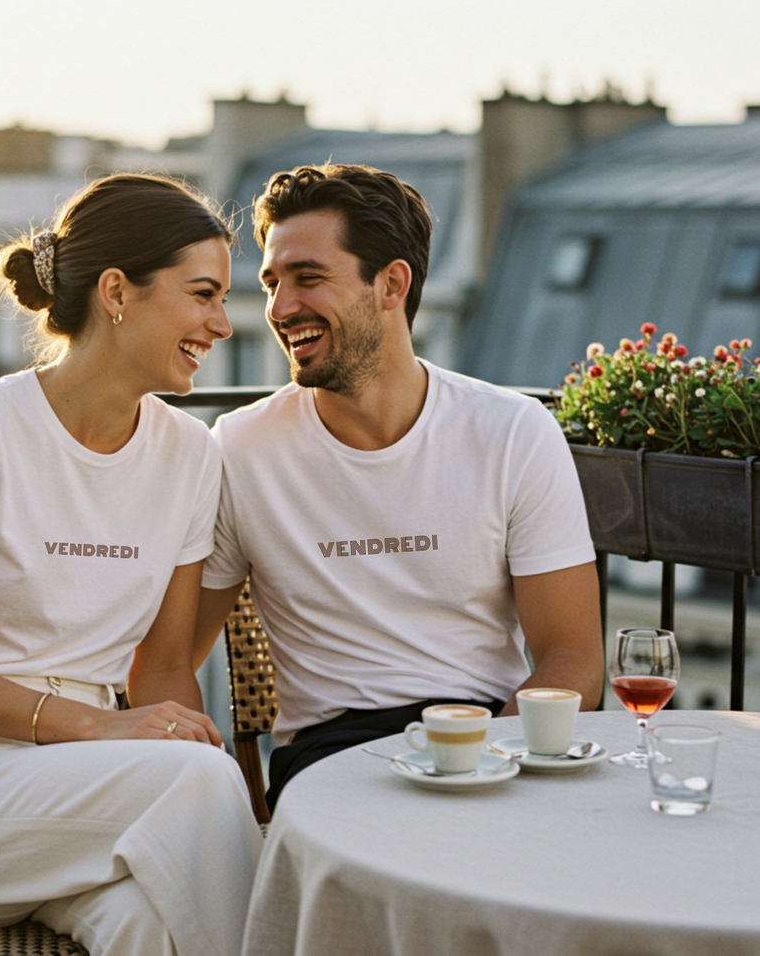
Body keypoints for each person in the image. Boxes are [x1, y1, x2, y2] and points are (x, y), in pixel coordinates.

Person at [0, 173, 263, 956]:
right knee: (202, 786)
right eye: (202, 294)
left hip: (97, 795)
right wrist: (101, 726)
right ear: (117, 291)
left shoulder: (190, 456)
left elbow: (159, 673)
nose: (222, 322)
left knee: (154, 925)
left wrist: (170, 730)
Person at [195, 163, 604, 811]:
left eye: (308, 278)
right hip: (331, 761)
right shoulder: (240, 449)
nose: (278, 308)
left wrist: (488, 753)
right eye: (272, 282)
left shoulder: (513, 431)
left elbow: (574, 659)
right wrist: (210, 795)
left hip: (491, 740)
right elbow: (168, 658)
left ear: (391, 284)